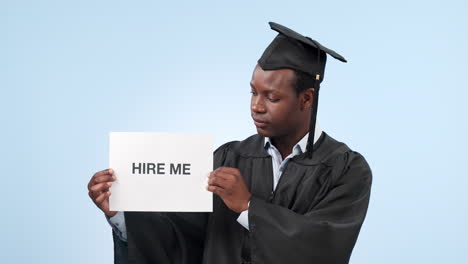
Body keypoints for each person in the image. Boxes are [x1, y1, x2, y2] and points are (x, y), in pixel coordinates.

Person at [88, 22, 372, 264]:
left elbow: (326, 249)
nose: (256, 107)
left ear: (306, 98)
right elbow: (180, 239)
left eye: (271, 97)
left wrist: (249, 207)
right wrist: (122, 216)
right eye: (253, 93)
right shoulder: (227, 157)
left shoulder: (346, 169)